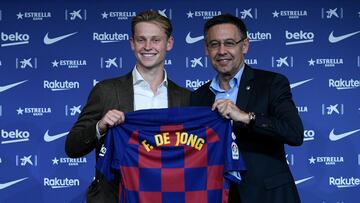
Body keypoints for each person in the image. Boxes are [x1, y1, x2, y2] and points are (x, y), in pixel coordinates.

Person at [65, 10, 190, 202]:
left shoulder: (186, 98)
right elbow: (72, 147)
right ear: (132, 43)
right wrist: (100, 127)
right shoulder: (106, 90)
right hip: (115, 196)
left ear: (169, 43)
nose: (148, 47)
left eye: (155, 40)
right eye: (141, 40)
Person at [190, 14, 304, 203]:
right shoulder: (198, 96)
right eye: (214, 44)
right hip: (220, 195)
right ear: (206, 49)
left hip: (269, 196)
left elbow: (294, 133)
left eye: (229, 43)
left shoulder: (271, 83)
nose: (222, 51)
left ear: (245, 46)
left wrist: (246, 117)